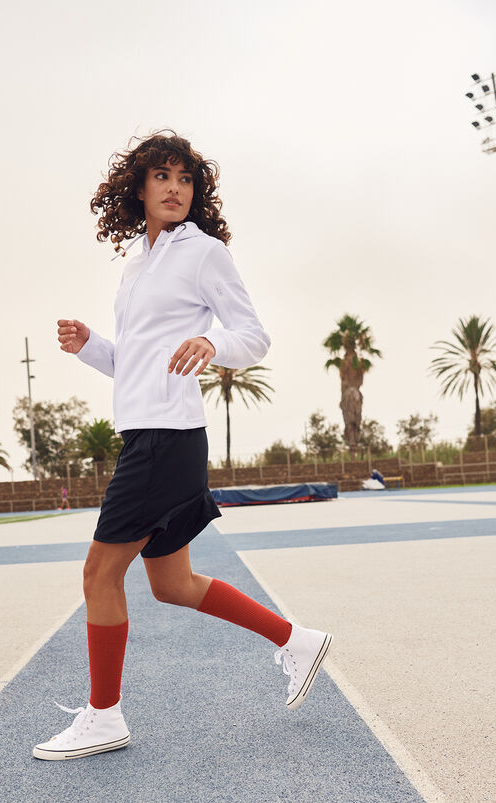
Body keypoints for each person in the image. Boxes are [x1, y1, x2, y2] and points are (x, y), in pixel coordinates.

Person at [33, 131, 333, 761]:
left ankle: (104, 715)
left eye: (186, 179)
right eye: (162, 176)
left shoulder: (203, 253)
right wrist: (90, 345)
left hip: (166, 440)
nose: (175, 188)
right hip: (148, 433)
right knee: (172, 584)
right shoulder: (136, 263)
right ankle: (297, 641)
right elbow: (136, 363)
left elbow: (253, 336)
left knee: (98, 574)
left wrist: (212, 344)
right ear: (138, 187)